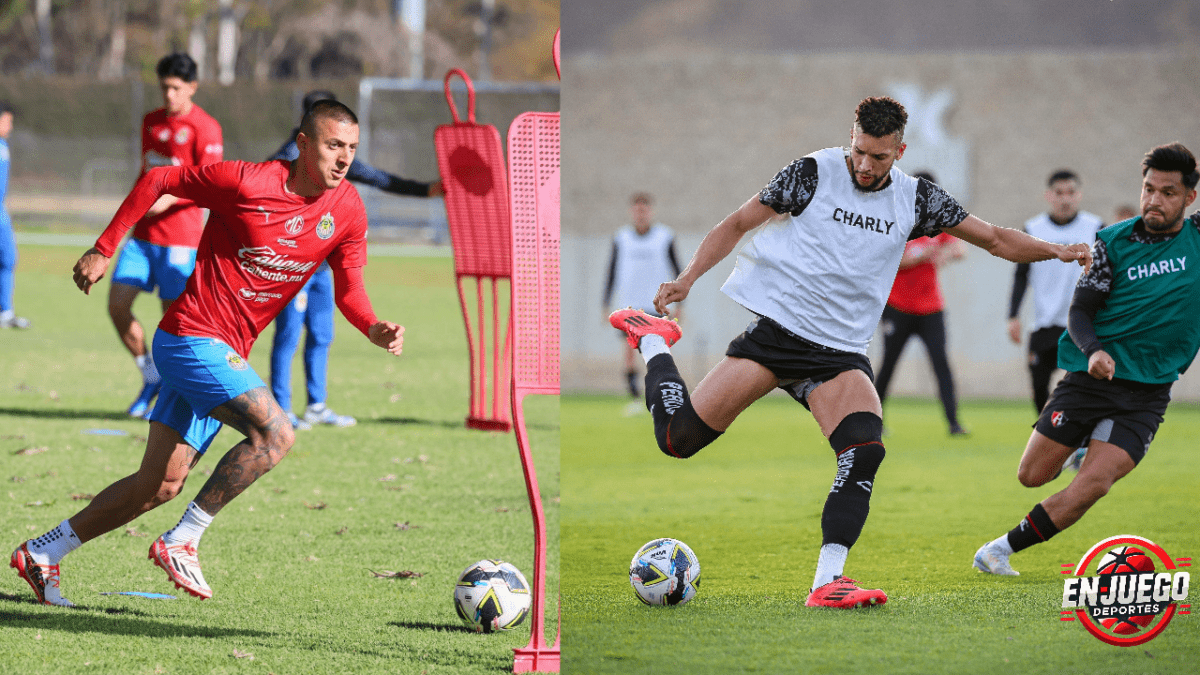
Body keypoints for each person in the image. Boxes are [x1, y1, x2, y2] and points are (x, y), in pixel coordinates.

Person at [609, 96, 1092, 609]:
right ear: (852, 136)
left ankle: (828, 581)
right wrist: (687, 280)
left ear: (899, 151)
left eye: (879, 157)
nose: (864, 165)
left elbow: (994, 238)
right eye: (859, 150)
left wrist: (1057, 251)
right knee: (678, 440)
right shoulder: (811, 173)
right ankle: (653, 339)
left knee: (865, 450)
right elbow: (736, 223)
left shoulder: (917, 199)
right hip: (777, 337)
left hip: (838, 353)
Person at [10, 100, 405, 607]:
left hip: (222, 350)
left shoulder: (347, 208)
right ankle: (183, 540)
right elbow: (158, 181)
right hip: (190, 338)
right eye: (333, 145)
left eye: (352, 148)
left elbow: (350, 288)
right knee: (277, 433)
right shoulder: (247, 181)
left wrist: (373, 326)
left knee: (159, 485)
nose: (345, 158)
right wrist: (105, 247)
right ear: (303, 144)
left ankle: (43, 553)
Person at [974, 143, 1198, 576]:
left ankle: (998, 550)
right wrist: (1093, 350)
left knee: (1093, 485)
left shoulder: (1198, 238)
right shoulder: (1113, 243)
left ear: (1190, 197)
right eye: (1149, 189)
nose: (1154, 200)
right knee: (1032, 475)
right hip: (1090, 379)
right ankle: (1081, 441)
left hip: (1148, 393)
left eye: (1169, 192)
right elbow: (1080, 312)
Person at [268, 90, 442, 430]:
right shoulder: (288, 159)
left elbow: (378, 178)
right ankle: (281, 408)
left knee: (321, 333)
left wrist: (425, 191)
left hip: (321, 267)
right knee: (288, 335)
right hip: (292, 268)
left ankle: (316, 405)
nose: (341, 154)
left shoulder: (337, 153)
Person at [109, 52, 224, 418]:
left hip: (181, 240)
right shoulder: (151, 122)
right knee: (117, 305)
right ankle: (150, 375)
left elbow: (209, 186)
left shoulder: (206, 128)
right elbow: (146, 175)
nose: (169, 94)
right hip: (142, 238)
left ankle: (171, 396)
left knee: (169, 324)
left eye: (176, 87)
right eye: (164, 87)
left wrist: (166, 200)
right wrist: (128, 214)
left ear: (192, 87)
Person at [873, 171, 967, 435]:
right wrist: (921, 255)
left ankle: (954, 423)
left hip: (931, 309)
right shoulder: (894, 220)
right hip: (898, 306)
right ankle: (874, 421)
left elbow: (960, 249)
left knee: (941, 364)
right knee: (888, 365)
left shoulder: (938, 222)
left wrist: (945, 254)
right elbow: (888, 260)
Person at [1007, 170, 1105, 413]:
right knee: (1039, 388)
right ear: (1049, 196)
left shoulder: (1095, 228)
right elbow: (1021, 274)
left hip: (1083, 322)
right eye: (1059, 193)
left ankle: (1081, 439)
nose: (1065, 199)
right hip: (1044, 322)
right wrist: (1013, 315)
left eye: (1071, 192)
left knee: (1088, 387)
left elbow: (1109, 274)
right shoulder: (1033, 228)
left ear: (1079, 195)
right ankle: (1048, 438)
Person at [602, 192, 681, 401]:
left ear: (650, 211)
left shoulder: (665, 236)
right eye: (637, 210)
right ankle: (634, 395)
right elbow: (611, 271)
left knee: (658, 351)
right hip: (630, 304)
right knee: (629, 352)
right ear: (632, 212)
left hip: (656, 304)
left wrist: (680, 303)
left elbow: (678, 271)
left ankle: (660, 392)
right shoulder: (621, 238)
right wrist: (605, 303)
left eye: (644, 210)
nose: (641, 214)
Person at [0, 100, 30, 329]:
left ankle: (5, 312)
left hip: (1, 212)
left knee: (9, 258)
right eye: (7, 120)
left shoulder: (3, 145)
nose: (10, 125)